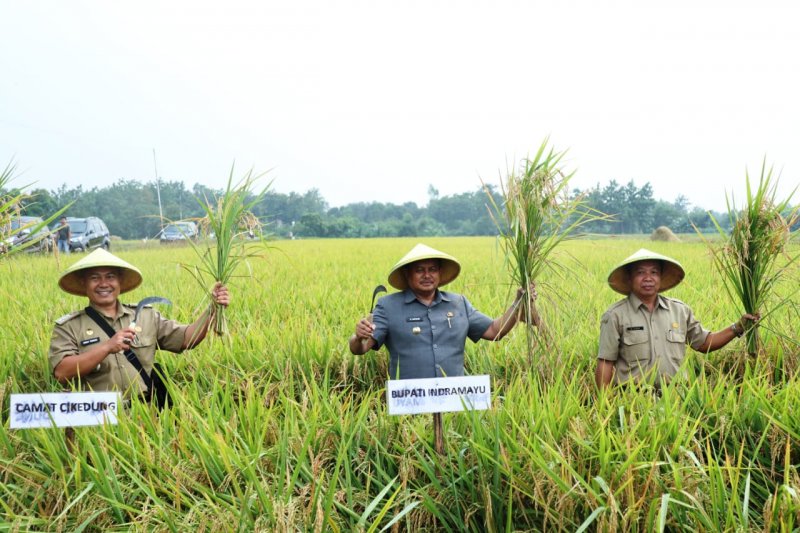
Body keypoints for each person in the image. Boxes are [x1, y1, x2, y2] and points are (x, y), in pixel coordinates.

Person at [48, 248, 230, 399]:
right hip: (98, 419)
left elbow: (187, 339)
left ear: (119, 281)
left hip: (145, 416)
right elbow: (62, 372)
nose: (104, 284)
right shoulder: (69, 326)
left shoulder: (145, 315)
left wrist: (212, 309)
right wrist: (107, 347)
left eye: (110, 277)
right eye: (95, 278)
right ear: (84, 283)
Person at [349, 243, 534, 379]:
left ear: (440, 273)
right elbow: (361, 348)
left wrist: (519, 302)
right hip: (409, 403)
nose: (427, 275)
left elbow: (495, 331)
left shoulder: (458, 303)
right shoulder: (388, 306)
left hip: (454, 399)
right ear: (407, 274)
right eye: (419, 270)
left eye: (432, 269)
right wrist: (357, 337)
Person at [595, 248, 759, 390]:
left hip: (676, 399)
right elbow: (605, 362)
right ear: (630, 279)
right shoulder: (615, 315)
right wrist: (603, 405)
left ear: (660, 278)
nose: (648, 278)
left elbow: (704, 343)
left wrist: (738, 327)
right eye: (640, 272)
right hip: (633, 399)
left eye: (654, 272)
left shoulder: (680, 310)